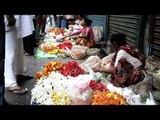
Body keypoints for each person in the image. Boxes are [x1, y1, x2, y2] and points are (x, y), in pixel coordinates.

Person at [4, 15, 34, 95]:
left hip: (16, 18)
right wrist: (9, 16)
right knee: (9, 51)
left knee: (19, 48)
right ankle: (10, 82)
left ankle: (18, 73)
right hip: (9, 18)